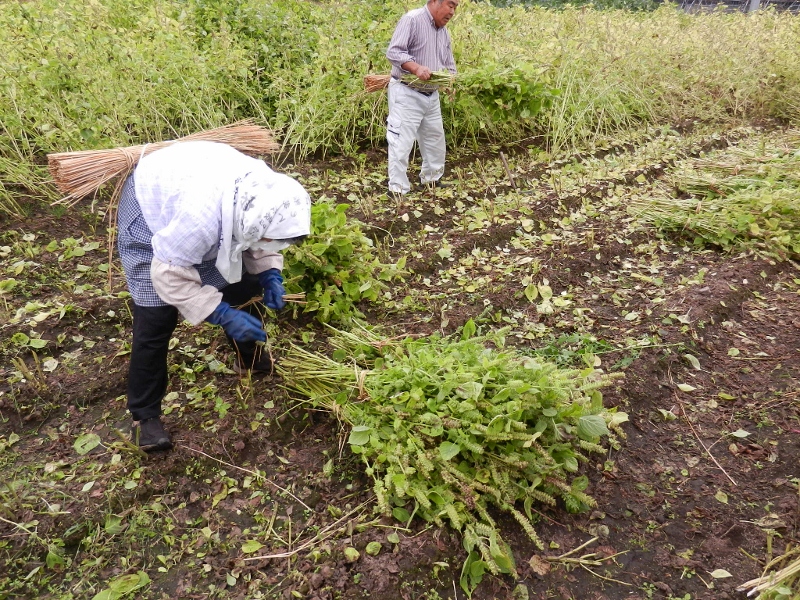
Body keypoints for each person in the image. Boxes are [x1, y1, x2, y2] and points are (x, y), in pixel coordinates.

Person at [117, 141, 311, 452]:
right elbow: (168, 276)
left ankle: (249, 359)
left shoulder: (268, 195)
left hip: (200, 187)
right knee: (156, 316)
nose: (274, 245)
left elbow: (258, 237)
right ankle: (145, 416)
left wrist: (269, 273)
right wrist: (219, 313)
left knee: (244, 287)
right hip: (151, 205)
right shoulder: (198, 220)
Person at [385, 0, 458, 196]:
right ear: (434, 1)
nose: (452, 11)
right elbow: (394, 51)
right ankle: (398, 190)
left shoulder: (443, 32)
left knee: (435, 140)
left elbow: (449, 63)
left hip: (431, 95)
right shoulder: (412, 20)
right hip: (407, 92)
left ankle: (431, 180)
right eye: (450, 5)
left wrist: (451, 80)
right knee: (401, 143)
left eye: (455, 7)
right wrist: (416, 68)